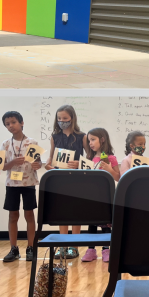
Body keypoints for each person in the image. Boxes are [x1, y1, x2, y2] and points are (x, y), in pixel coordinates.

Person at [45, 105, 89, 260]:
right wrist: (48, 166)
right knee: (62, 212)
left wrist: (79, 163)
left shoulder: (82, 136)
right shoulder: (54, 136)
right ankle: (63, 246)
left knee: (75, 212)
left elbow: (89, 159)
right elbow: (50, 158)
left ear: (72, 118)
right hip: (60, 179)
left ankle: (74, 246)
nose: (61, 121)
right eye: (59, 119)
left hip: (77, 178)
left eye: (65, 118)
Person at [0, 111, 41, 262]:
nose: (11, 126)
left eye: (13, 122)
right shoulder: (5, 144)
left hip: (28, 182)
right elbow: (2, 166)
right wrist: (12, 163)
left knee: (29, 214)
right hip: (12, 184)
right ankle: (13, 249)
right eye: (7, 124)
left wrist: (38, 165)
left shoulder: (32, 142)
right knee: (13, 216)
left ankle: (31, 247)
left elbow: (38, 162)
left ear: (21, 123)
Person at [81, 128, 120, 263]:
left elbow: (118, 177)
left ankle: (106, 249)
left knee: (105, 224)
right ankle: (90, 250)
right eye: (89, 140)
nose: (90, 143)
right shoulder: (90, 158)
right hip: (92, 196)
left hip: (105, 196)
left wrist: (109, 169)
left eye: (93, 140)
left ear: (102, 140)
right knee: (91, 223)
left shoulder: (110, 158)